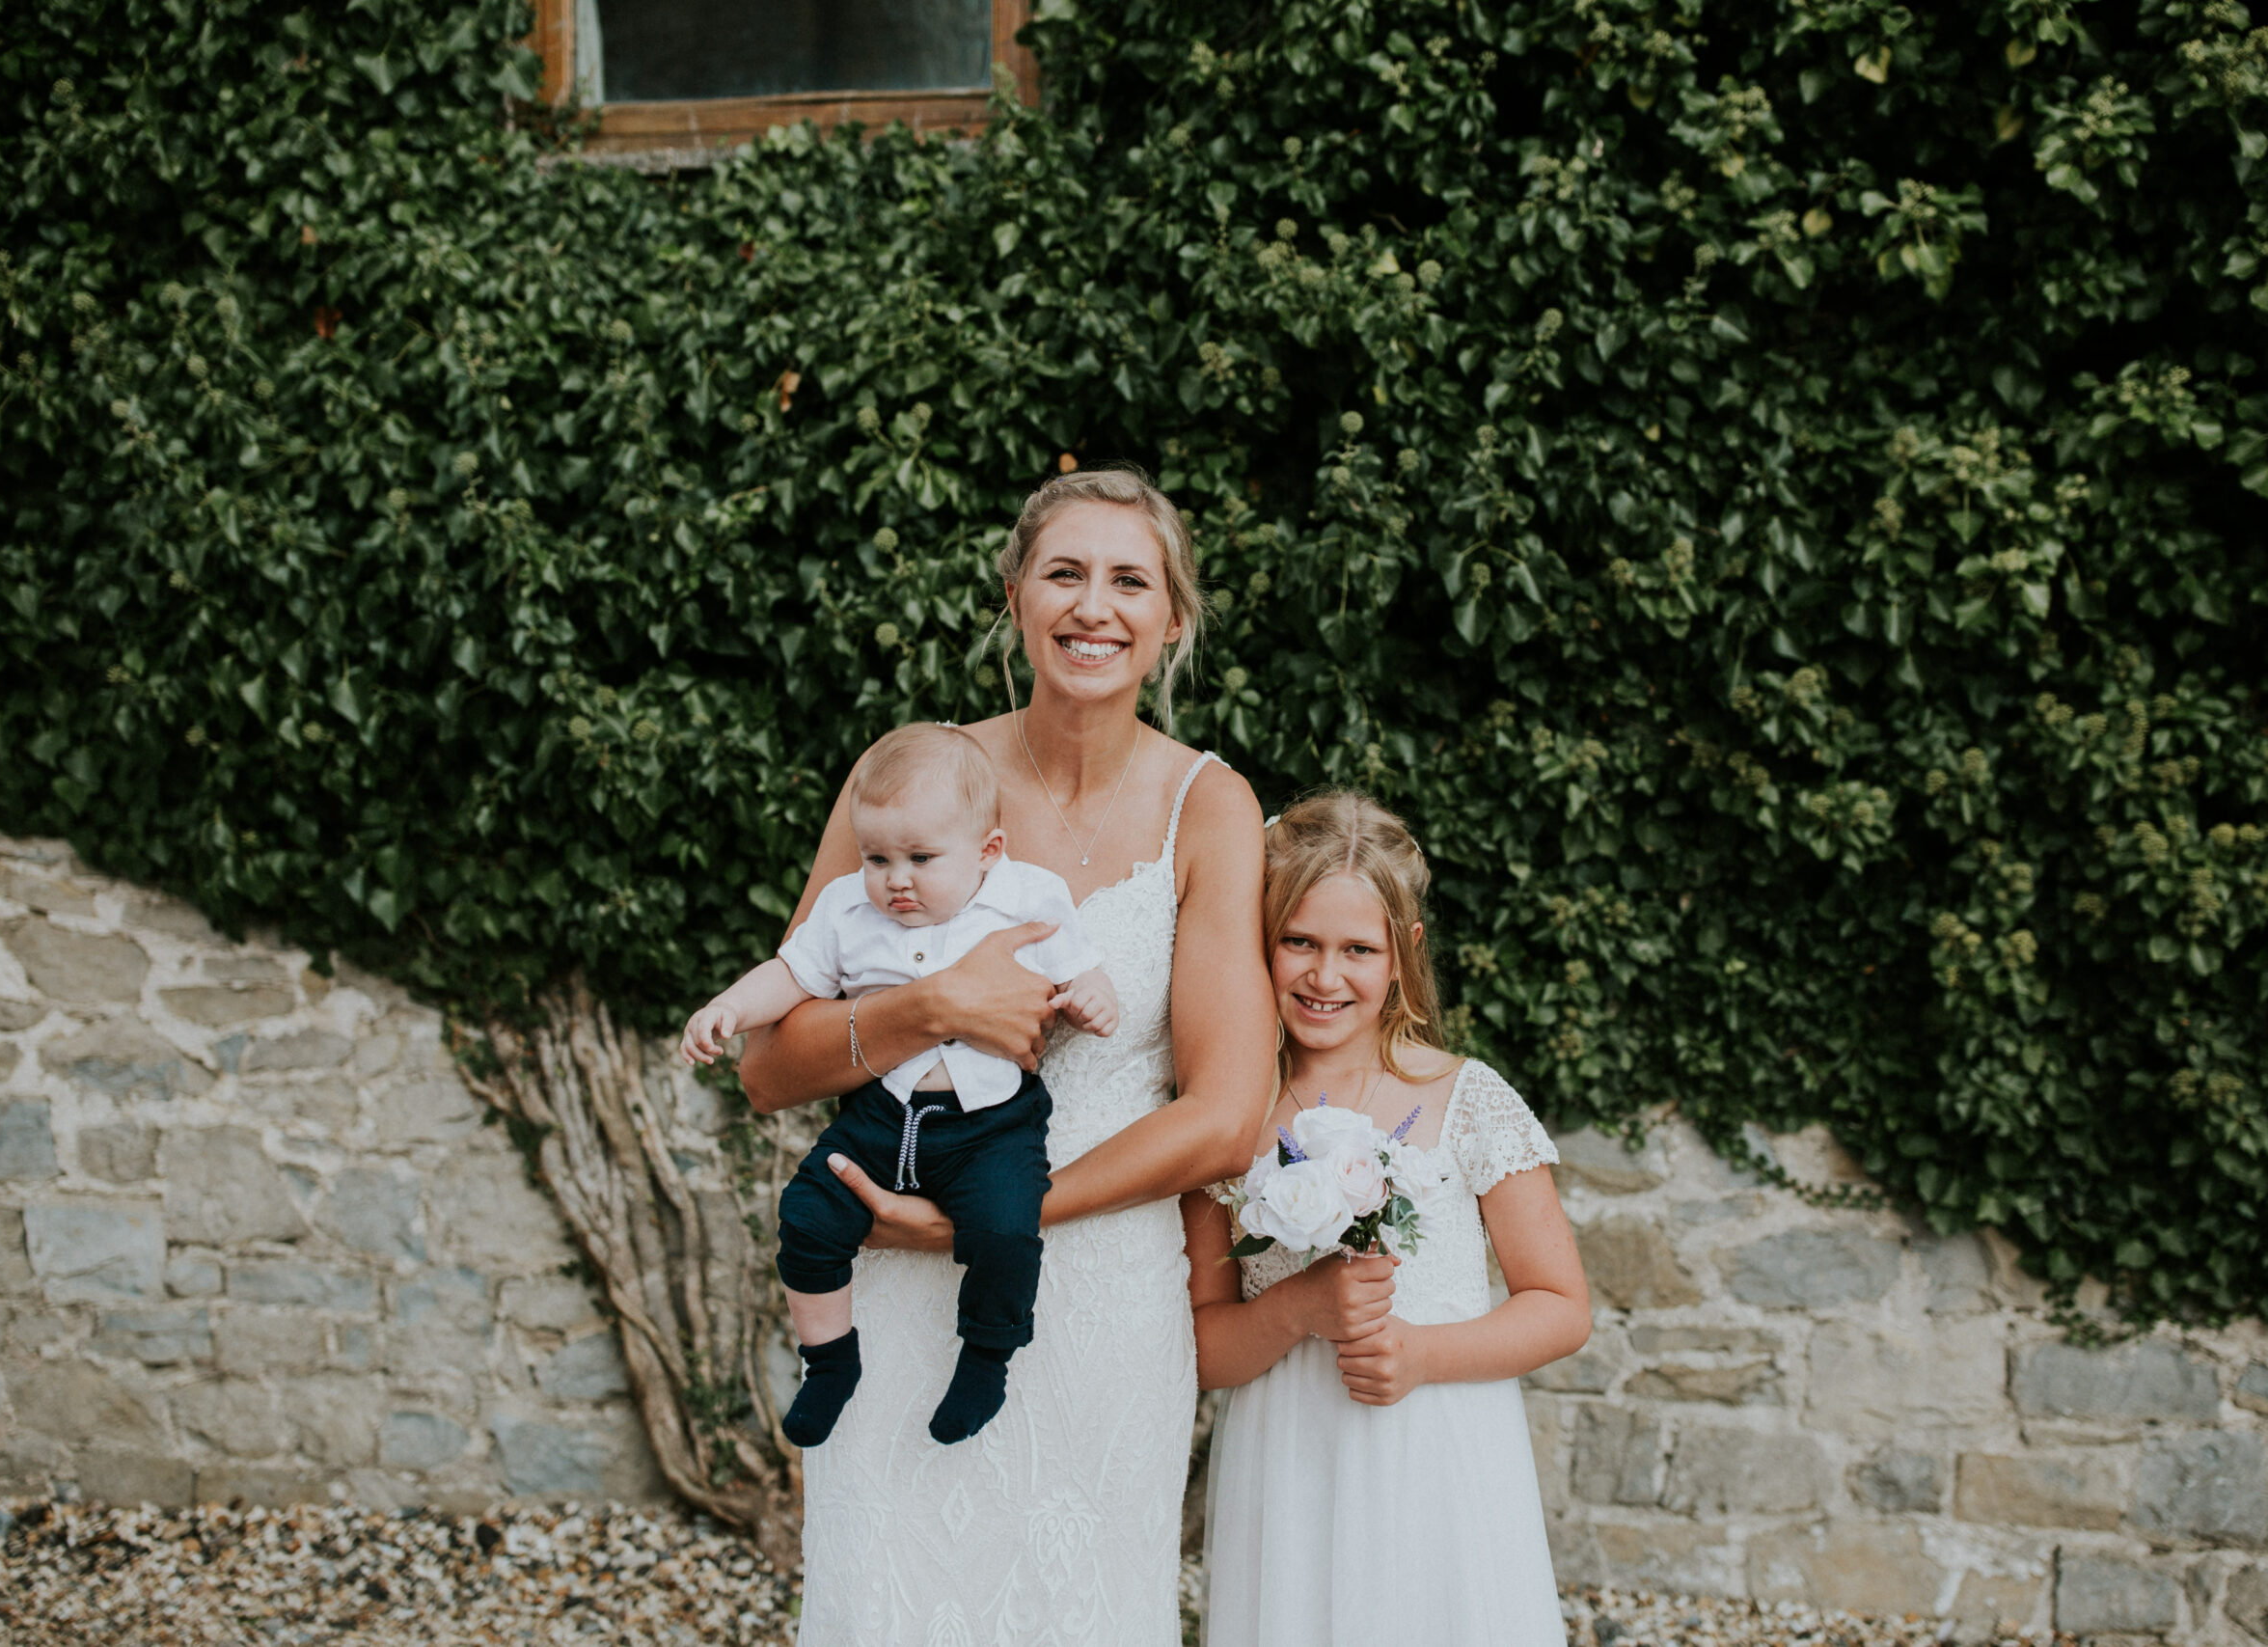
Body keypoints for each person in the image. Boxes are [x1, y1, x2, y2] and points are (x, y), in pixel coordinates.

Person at [739, 466, 1271, 1644]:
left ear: (1171, 618)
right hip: (899, 1262)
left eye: (1131, 580)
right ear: (1017, 595)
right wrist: (934, 1006)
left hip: (1101, 1293)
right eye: (1065, 573)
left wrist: (1007, 1215)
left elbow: (1228, 1115)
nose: (1096, 606)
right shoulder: (908, 780)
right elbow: (769, 1066)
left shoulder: (1211, 805)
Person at [1187, 791, 1592, 1647]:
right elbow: (1205, 1348)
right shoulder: (1228, 1117)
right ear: (1259, 937)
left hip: (1440, 1453)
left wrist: (1419, 1352)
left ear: (1404, 953)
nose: (1324, 976)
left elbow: (1561, 1304)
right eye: (1298, 940)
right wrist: (1297, 1309)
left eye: (1356, 949)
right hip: (1289, 1465)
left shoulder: (1463, 1098)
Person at [680, 722, 1119, 1446]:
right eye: (877, 857)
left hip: (991, 1121)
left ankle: (987, 1357)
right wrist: (729, 1006)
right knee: (809, 1213)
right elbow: (793, 975)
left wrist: (1091, 992)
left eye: (920, 857)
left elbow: (1080, 961)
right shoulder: (849, 908)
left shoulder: (1026, 896)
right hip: (884, 1113)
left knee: (1008, 1227)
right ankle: (829, 1361)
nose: (895, 879)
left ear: (988, 851)